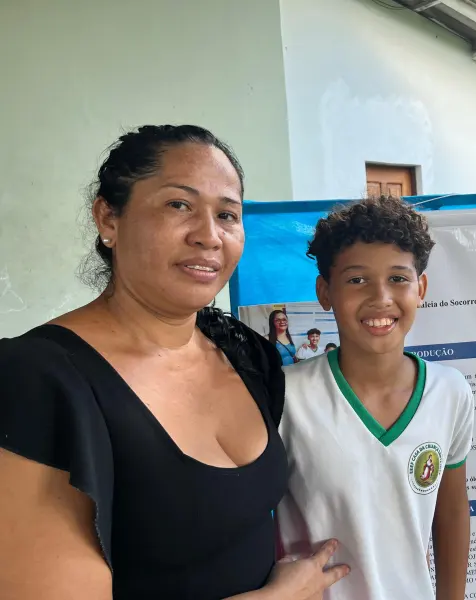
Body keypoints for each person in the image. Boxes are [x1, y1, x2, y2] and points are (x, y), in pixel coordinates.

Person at [0, 125, 348, 600]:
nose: (209, 236)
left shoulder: (244, 353)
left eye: (227, 215)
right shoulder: (39, 380)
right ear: (108, 219)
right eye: (179, 205)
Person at [277, 195, 474, 600]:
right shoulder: (284, 396)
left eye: (398, 278)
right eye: (357, 280)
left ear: (420, 288)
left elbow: (451, 511)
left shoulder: (450, 391)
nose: (381, 297)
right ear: (325, 292)